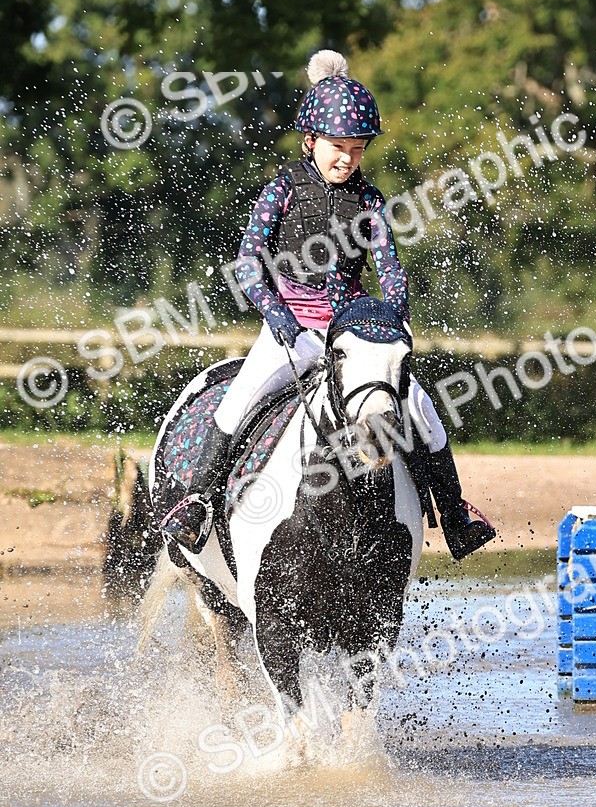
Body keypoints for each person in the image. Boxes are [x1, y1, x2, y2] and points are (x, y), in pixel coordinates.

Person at [161, 50, 495, 559]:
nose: (348, 159)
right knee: (236, 405)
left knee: (424, 411)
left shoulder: (371, 200)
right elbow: (249, 262)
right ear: (311, 141)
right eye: (338, 147)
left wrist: (396, 317)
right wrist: (280, 321)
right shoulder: (283, 190)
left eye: (358, 150)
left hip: (350, 332)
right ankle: (197, 507)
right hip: (289, 328)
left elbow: (388, 267)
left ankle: (454, 517)